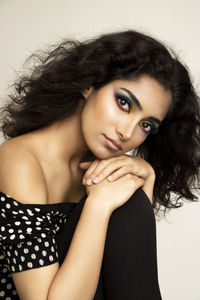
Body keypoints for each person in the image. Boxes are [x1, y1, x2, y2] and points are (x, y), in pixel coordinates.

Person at [0, 30, 199, 300]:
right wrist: (98, 205)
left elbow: (125, 273)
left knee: (127, 195)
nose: (127, 132)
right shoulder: (18, 161)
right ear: (89, 84)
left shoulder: (104, 170)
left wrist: (146, 182)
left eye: (146, 125)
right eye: (124, 102)